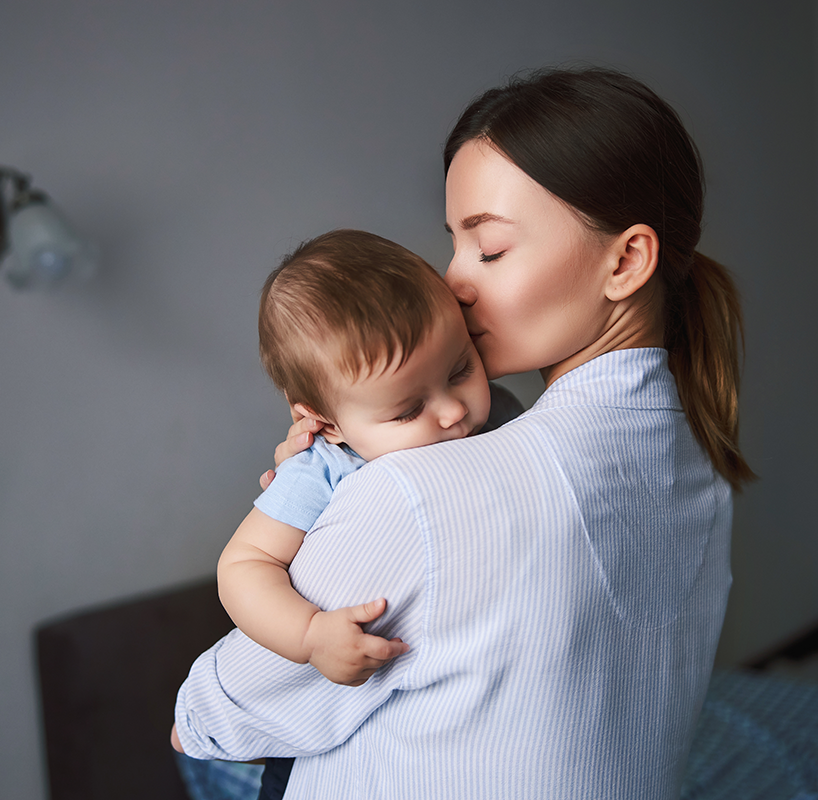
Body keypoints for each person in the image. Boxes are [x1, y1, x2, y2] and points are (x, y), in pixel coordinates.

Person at [174, 66, 753, 799]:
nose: (455, 282)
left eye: (490, 248)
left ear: (627, 260)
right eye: (453, 244)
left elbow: (206, 722)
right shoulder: (703, 469)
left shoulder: (420, 493)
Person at [216, 229, 498, 686]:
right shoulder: (323, 468)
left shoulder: (501, 414)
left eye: (461, 369)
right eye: (408, 411)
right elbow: (243, 565)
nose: (453, 411)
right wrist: (309, 635)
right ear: (327, 424)